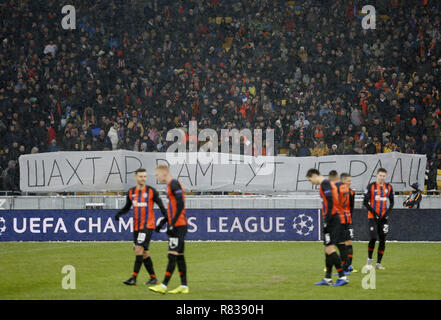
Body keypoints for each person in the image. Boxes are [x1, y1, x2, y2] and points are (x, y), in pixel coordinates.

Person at [114, 168, 168, 286]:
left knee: (138, 249)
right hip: (136, 227)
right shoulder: (131, 192)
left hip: (147, 226)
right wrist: (119, 214)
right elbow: (127, 207)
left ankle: (133, 278)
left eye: (145, 176)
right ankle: (153, 278)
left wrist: (164, 221)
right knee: (144, 253)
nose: (143, 178)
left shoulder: (151, 191)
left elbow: (162, 207)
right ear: (136, 177)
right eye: (141, 176)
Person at [149, 165, 189, 294]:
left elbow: (180, 205)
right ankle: (184, 286)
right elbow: (173, 208)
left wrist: (172, 224)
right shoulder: (170, 185)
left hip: (178, 226)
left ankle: (164, 285)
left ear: (164, 173)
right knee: (179, 256)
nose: (157, 177)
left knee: (172, 254)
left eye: (157, 175)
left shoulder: (174, 184)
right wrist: (164, 222)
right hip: (178, 225)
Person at [306, 168, 348, 287]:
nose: (311, 183)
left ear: (314, 175)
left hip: (332, 219)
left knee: (330, 249)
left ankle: (342, 277)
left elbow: (330, 201)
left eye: (310, 180)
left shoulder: (325, 183)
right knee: (327, 249)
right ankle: (328, 278)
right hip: (333, 218)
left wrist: (327, 220)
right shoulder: (328, 184)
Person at [363, 168, 394, 270]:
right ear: (377, 175)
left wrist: (386, 214)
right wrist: (375, 213)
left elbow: (392, 202)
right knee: (373, 238)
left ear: (385, 176)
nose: (382, 177)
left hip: (384, 218)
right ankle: (369, 261)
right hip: (373, 217)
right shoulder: (371, 186)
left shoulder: (389, 187)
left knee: (382, 240)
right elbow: (365, 202)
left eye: (384, 176)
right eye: (380, 175)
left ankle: (378, 263)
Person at [328, 170, 350, 275]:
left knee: (338, 245)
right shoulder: (345, 188)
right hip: (346, 217)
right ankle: (344, 267)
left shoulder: (336, 187)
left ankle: (344, 269)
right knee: (341, 244)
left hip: (339, 218)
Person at [340, 172, 357, 273]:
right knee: (345, 243)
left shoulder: (351, 192)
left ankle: (347, 266)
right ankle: (347, 265)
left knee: (347, 243)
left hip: (345, 221)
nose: (350, 182)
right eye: (348, 181)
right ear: (343, 181)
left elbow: (351, 207)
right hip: (342, 221)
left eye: (350, 181)